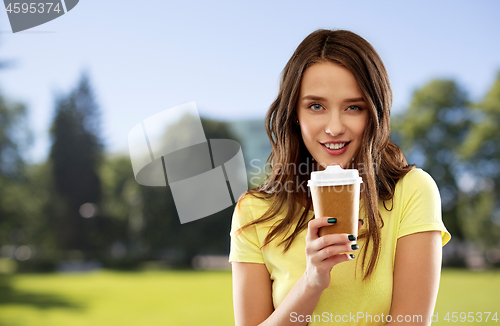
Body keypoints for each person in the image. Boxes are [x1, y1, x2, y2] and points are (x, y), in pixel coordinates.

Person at [229, 29, 451, 326]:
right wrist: (312, 282)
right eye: (316, 106)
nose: (334, 127)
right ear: (295, 112)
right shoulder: (254, 211)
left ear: (374, 113)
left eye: (353, 107)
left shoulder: (412, 191)